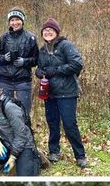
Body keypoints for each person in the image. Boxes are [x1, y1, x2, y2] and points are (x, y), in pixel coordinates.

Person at [36, 18, 89, 169]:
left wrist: (57, 70)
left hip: (67, 92)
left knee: (69, 124)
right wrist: (40, 73)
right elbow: (40, 68)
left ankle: (80, 155)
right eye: (45, 30)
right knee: (52, 122)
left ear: (57, 32)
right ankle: (54, 151)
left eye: (51, 30)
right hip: (49, 93)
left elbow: (77, 63)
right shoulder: (42, 50)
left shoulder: (66, 45)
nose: (48, 32)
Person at [0, 8, 39, 128]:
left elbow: (36, 59)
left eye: (18, 20)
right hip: (5, 80)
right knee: (5, 111)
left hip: (23, 80)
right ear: (9, 22)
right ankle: (8, 141)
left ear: (22, 21)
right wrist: (5, 58)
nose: (15, 23)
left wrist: (24, 62)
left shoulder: (31, 38)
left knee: (24, 112)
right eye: (12, 20)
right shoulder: (3, 38)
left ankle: (27, 142)